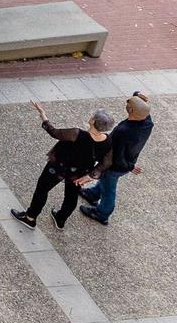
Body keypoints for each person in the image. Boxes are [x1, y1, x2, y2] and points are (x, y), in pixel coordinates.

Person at [11, 102, 113, 230]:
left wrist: (43, 115)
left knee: (42, 189)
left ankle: (30, 217)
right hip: (79, 173)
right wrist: (91, 176)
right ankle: (61, 219)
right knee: (71, 196)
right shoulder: (107, 140)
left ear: (93, 121)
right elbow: (107, 162)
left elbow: (54, 132)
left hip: (58, 167)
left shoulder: (77, 133)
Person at [82, 92, 154, 225]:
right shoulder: (147, 122)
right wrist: (138, 95)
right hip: (129, 160)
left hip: (116, 165)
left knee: (109, 189)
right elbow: (143, 108)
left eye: (129, 104)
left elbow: (117, 155)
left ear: (131, 110)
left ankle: (102, 214)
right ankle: (93, 194)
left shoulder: (124, 131)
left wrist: (129, 167)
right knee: (105, 182)